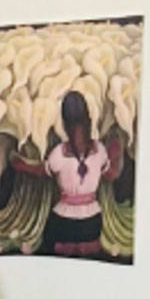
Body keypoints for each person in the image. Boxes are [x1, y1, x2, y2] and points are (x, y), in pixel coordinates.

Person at [42, 90, 116, 257]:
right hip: (92, 223)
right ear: (88, 119)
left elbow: (43, 170)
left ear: (64, 123)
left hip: (64, 223)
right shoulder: (100, 150)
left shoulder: (58, 153)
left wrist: (20, 164)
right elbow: (110, 174)